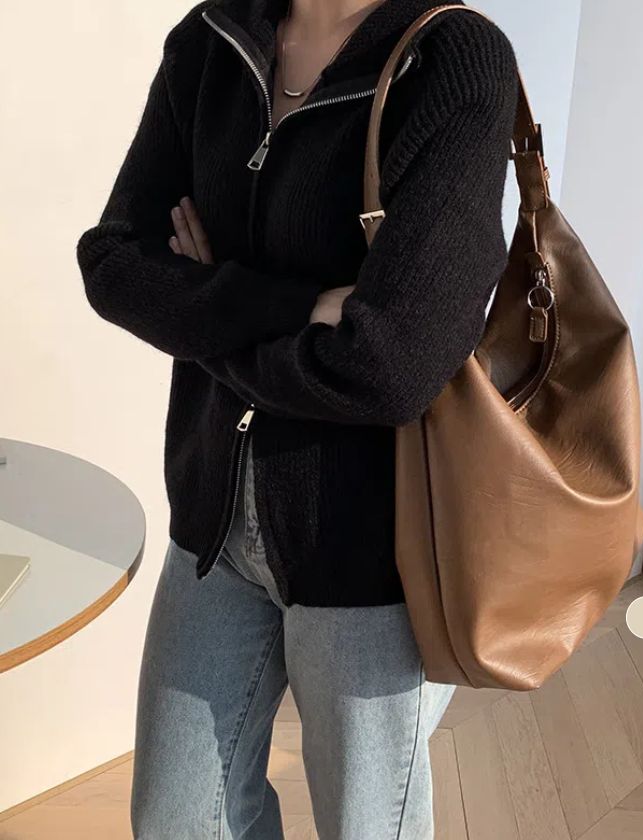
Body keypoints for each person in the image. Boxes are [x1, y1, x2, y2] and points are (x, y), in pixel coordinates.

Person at [76, 0, 519, 836]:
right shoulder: (213, 39)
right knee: (177, 821)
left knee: (366, 827)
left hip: (373, 558)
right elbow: (112, 261)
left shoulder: (452, 60)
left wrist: (204, 310)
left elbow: (392, 367)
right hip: (211, 528)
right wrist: (304, 306)